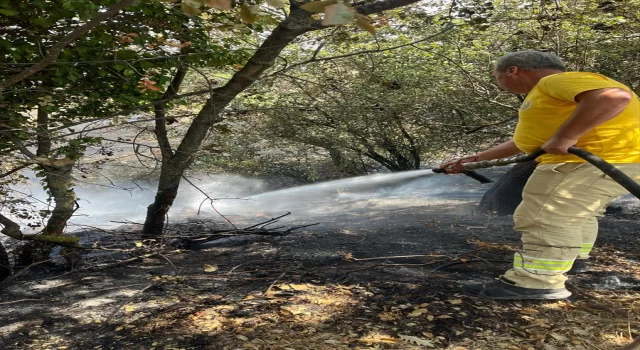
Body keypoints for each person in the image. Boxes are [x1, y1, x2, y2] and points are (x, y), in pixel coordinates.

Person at [440, 50, 640, 300]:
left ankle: (535, 282)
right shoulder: (551, 95)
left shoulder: (553, 82)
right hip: (593, 161)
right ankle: (573, 260)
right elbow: (526, 142)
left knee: (545, 216)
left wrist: (566, 137)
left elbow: (614, 98)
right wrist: (477, 159)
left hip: (587, 161)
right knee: (577, 215)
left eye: (496, 76)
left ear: (512, 70)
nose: (498, 82)